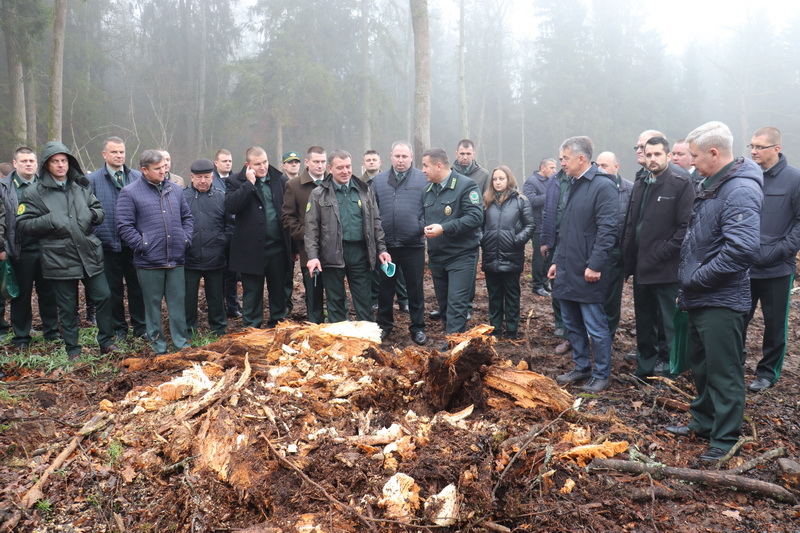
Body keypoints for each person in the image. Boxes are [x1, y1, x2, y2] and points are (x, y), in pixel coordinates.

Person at [666, 121, 762, 462]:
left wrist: (697, 277)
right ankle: (702, 423)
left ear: (714, 153)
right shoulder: (712, 184)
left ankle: (724, 439)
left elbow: (742, 250)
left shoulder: (739, 191)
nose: (690, 161)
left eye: (694, 155)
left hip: (722, 300)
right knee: (702, 367)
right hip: (700, 296)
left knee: (724, 371)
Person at [16, 141, 117, 359]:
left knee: (104, 296)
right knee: (67, 307)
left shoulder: (80, 185)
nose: (61, 165)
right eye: (55, 161)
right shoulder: (34, 192)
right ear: (46, 165)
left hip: (88, 252)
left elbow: (97, 209)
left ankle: (106, 342)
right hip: (58, 257)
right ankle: (73, 349)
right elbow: (23, 224)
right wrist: (50, 220)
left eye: (64, 161)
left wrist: (92, 216)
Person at [622, 137, 694, 380]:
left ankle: (671, 374)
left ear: (667, 156)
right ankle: (644, 369)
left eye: (657, 155)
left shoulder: (680, 183)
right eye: (648, 154)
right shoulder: (641, 182)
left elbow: (686, 227)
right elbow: (632, 223)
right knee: (644, 324)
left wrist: (663, 251)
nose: (652, 159)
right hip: (641, 268)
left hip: (666, 269)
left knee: (669, 325)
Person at [550, 136, 618, 393]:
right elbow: (566, 229)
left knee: (595, 326)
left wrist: (596, 265)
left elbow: (608, 230)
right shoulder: (573, 184)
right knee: (572, 323)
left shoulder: (602, 186)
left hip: (589, 270)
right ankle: (581, 367)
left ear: (581, 158)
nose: (562, 163)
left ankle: (602, 374)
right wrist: (557, 260)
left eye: (565, 158)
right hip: (567, 268)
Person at [117, 149, 193, 355]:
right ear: (144, 170)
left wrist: (185, 238)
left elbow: (187, 218)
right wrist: (143, 245)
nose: (163, 171)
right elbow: (124, 225)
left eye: (164, 167)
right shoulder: (130, 192)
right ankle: (158, 347)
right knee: (152, 308)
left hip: (176, 258)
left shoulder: (175, 190)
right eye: (157, 168)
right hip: (149, 262)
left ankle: (181, 345)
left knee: (178, 305)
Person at [743, 127, 800, 392]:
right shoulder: (744, 176)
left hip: (778, 268)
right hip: (743, 266)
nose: (753, 151)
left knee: (775, 325)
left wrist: (776, 252)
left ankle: (767, 373)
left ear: (775, 149)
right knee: (737, 318)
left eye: (759, 147)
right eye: (751, 146)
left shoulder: (794, 179)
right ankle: (734, 362)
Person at [305, 150, 391, 322]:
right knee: (335, 301)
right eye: (340, 168)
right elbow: (311, 228)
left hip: (360, 253)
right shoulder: (318, 194)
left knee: (364, 300)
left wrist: (382, 249)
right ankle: (340, 340)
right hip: (332, 254)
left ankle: (367, 340)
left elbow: (376, 222)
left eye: (348, 166)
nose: (345, 171)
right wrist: (313, 256)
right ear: (330, 169)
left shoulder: (364, 191)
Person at [225, 147, 293, 328]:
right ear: (248, 165)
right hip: (250, 249)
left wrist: (292, 247)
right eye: (257, 164)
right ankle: (251, 327)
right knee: (252, 293)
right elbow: (231, 206)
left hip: (277, 247)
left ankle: (277, 325)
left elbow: (289, 213)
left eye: (265, 162)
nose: (262, 167)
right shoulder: (235, 181)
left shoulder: (281, 180)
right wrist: (249, 184)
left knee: (278, 291)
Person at [87, 136, 147, 341]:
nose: (119, 155)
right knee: (113, 291)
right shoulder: (92, 180)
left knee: (137, 288)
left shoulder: (138, 177)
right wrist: (96, 238)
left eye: (122, 152)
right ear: (105, 154)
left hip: (134, 245)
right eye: (114, 152)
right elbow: (87, 214)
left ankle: (141, 327)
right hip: (107, 245)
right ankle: (119, 328)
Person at [0, 148, 61, 349]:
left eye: (32, 160)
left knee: (49, 293)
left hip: (47, 248)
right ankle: (21, 337)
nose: (28, 164)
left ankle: (51, 332)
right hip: (19, 250)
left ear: (37, 163)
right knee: (21, 295)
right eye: (24, 161)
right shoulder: (4, 187)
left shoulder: (47, 185)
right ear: (15, 163)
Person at [422, 148, 483, 346]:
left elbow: (475, 217)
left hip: (461, 256)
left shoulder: (466, 185)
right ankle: (453, 340)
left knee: (457, 304)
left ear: (439, 166)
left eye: (425, 166)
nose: (422, 170)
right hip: (437, 256)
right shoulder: (428, 190)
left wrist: (444, 228)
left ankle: (452, 348)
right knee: (445, 305)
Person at [372, 141, 427, 345]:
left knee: (415, 288)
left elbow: (428, 207)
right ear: (391, 156)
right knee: (385, 288)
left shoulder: (422, 178)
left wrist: (420, 226)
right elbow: (373, 211)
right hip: (387, 247)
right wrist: (379, 241)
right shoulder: (378, 180)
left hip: (413, 245)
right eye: (397, 156)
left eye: (405, 156)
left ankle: (418, 327)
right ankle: (384, 326)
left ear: (411, 157)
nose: (401, 160)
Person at [480, 166, 534, 339]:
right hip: (490, 255)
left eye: (501, 178)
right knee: (494, 294)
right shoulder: (486, 201)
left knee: (512, 294)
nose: (497, 182)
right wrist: (484, 239)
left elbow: (530, 225)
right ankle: (495, 328)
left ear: (509, 179)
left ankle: (512, 329)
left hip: (512, 255)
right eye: (495, 179)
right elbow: (478, 226)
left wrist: (516, 241)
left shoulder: (521, 201)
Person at [183, 159, 230, 337]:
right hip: (189, 256)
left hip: (215, 255)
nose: (203, 181)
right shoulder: (182, 196)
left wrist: (222, 241)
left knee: (216, 296)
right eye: (199, 177)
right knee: (188, 297)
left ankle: (219, 328)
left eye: (206, 177)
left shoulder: (221, 196)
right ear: (192, 177)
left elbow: (230, 223)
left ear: (212, 177)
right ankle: (189, 330)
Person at [282, 146, 327, 323]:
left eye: (323, 162)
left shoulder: (332, 182)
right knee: (313, 293)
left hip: (334, 250)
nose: (320, 165)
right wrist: (306, 236)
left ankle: (338, 325)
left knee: (335, 292)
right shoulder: (294, 185)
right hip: (308, 251)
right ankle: (315, 327)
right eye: (316, 162)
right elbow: (287, 217)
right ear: (307, 162)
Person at [595, 151, 633, 340]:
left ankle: (607, 336)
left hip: (617, 253)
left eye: (604, 166)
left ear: (616, 167)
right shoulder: (591, 188)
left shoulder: (630, 190)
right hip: (595, 252)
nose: (600, 169)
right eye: (598, 165)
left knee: (612, 298)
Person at [539, 157, 572, 353]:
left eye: (566, 158)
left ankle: (571, 330)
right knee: (554, 282)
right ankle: (559, 322)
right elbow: (548, 211)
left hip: (573, 242)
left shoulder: (580, 180)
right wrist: (545, 239)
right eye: (561, 159)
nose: (563, 162)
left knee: (570, 285)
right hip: (554, 239)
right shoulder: (555, 180)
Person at [212, 148, 241, 318]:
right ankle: (217, 306)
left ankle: (232, 305)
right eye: (224, 161)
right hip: (216, 232)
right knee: (217, 273)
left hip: (234, 232)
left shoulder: (236, 180)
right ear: (216, 163)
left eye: (230, 161)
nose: (228, 164)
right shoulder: (210, 180)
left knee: (232, 273)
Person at [523, 158, 557, 297]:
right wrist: (549, 195)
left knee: (548, 257)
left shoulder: (552, 181)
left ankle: (545, 282)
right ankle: (537, 285)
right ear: (543, 168)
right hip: (537, 226)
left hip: (549, 225)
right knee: (539, 257)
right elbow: (530, 201)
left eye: (555, 167)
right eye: (552, 167)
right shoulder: (531, 182)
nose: (555, 170)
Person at [280, 151, 302, 313]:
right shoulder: (280, 183)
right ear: (284, 165)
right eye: (290, 162)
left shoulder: (305, 182)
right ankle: (286, 305)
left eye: (296, 162)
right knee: (286, 274)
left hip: (306, 234)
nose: (293, 164)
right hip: (287, 235)